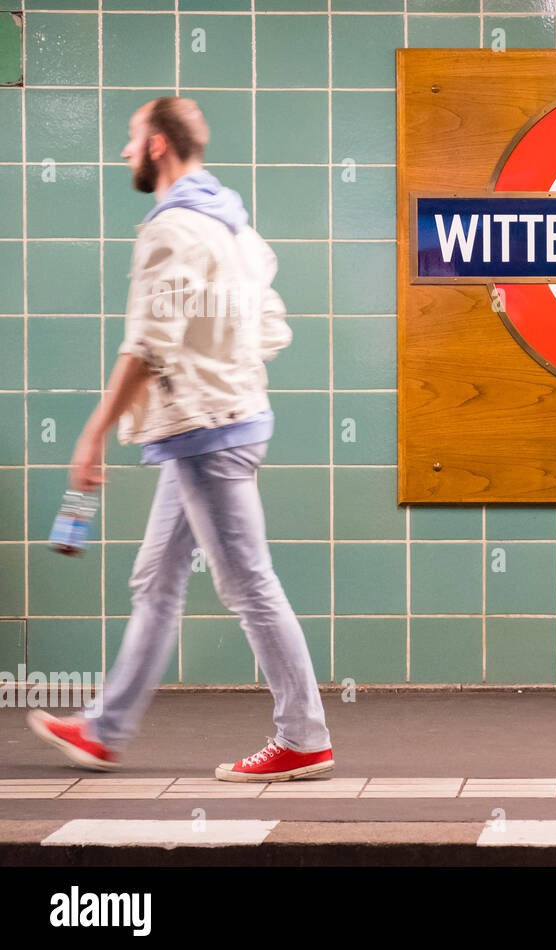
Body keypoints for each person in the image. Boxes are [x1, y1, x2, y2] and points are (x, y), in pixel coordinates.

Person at [27, 97, 335, 781]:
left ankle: (306, 737)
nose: (123, 152)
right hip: (221, 421)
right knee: (157, 580)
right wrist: (223, 369)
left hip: (206, 433)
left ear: (159, 145)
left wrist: (94, 434)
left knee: (248, 584)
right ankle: (104, 731)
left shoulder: (171, 231)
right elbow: (272, 327)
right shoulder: (235, 228)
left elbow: (147, 344)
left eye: (130, 138)